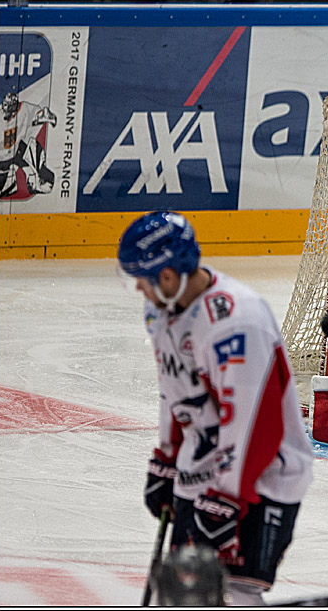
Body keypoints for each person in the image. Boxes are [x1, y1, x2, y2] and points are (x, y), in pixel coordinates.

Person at [119, 211, 314, 604]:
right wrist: (168, 458)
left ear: (169, 276)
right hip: (203, 474)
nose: (138, 288)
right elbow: (175, 388)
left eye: (142, 277)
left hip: (261, 481)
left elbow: (253, 422)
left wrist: (228, 499)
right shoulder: (160, 311)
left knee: (233, 595)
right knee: (183, 594)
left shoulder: (236, 322)